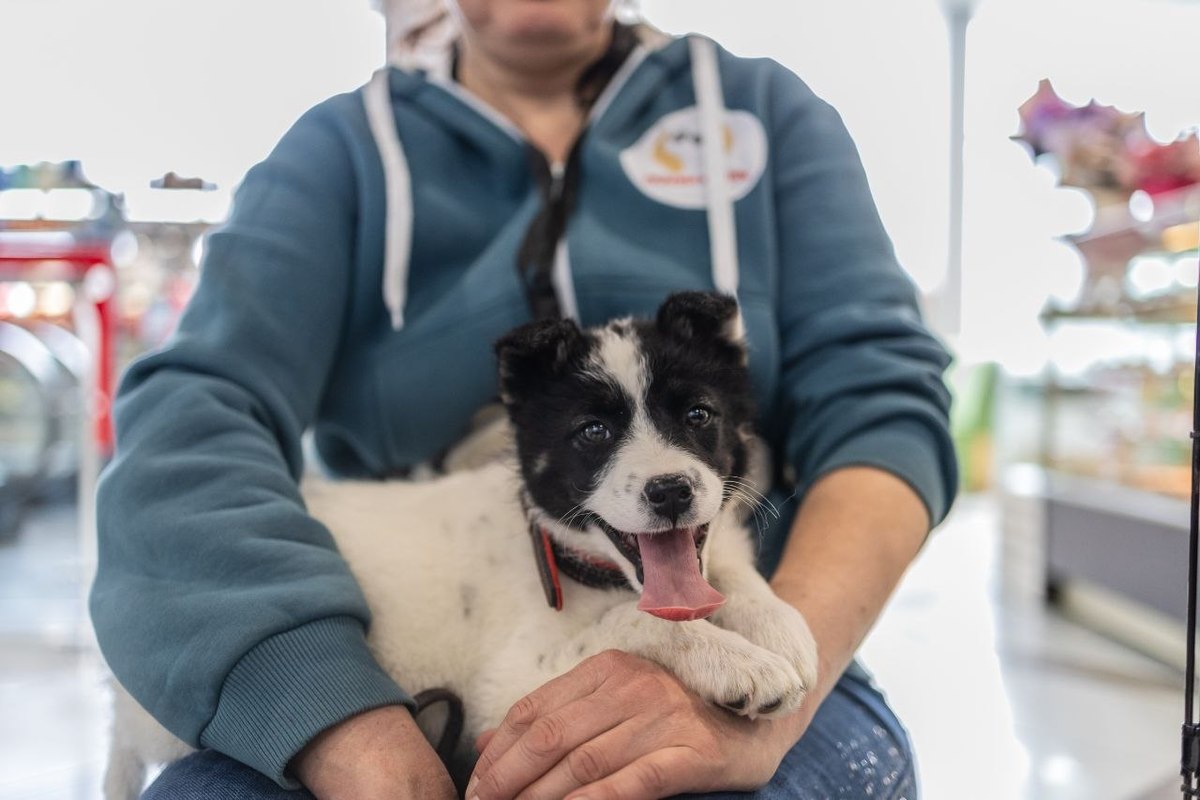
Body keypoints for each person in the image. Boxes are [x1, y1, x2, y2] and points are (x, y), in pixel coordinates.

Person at [90, 0, 957, 798]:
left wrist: (778, 676)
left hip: (766, 618)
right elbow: (191, 422)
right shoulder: (342, 151)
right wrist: (325, 709)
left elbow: (884, 407)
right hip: (398, 640)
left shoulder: (762, 113)